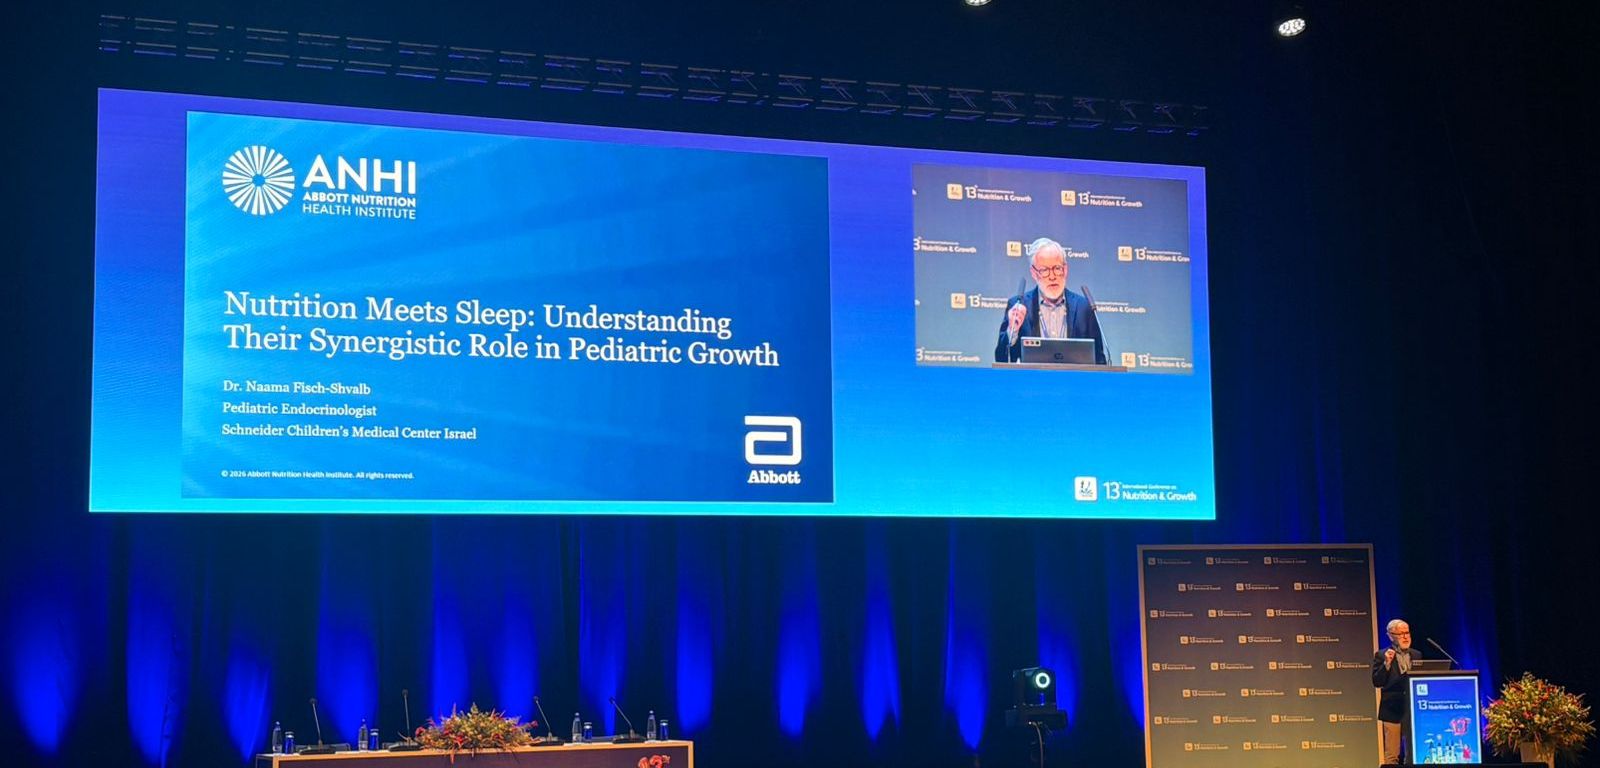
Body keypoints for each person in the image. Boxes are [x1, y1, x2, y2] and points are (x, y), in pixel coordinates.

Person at [993, 237, 1107, 364]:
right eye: (1044, 270)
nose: (1052, 276)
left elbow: (1100, 361)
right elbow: (1001, 359)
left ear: (1065, 270)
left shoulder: (1084, 308)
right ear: (1034, 273)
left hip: (1073, 377)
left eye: (1057, 268)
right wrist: (1012, 330)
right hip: (1032, 377)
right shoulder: (1018, 307)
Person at [1372, 618, 1423, 764]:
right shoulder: (1382, 655)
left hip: (1413, 709)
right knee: (1392, 755)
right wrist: (1386, 664)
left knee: (1412, 753)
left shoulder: (1416, 655)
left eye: (1407, 633)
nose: (1405, 637)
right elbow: (1377, 682)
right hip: (1392, 709)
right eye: (1401, 634)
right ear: (1391, 636)